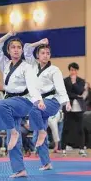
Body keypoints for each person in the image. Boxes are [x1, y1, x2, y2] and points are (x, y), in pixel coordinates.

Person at [0, 31, 42, 178]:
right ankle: (20, 170)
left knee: (0, 105)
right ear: (8, 51)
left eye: (18, 47)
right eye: (13, 47)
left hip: (23, 101)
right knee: (11, 140)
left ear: (21, 50)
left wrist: (38, 100)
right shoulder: (5, 64)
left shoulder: (27, 67)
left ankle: (14, 131)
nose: (16, 49)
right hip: (11, 101)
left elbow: (33, 86)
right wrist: (8, 35)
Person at [24, 38, 71, 170]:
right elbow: (27, 48)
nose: (45, 55)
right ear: (37, 55)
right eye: (43, 53)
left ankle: (41, 132)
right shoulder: (32, 66)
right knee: (36, 140)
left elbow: (61, 87)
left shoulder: (54, 70)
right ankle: (46, 163)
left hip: (52, 102)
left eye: (48, 53)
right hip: (39, 103)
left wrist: (66, 101)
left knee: (33, 110)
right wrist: (39, 43)